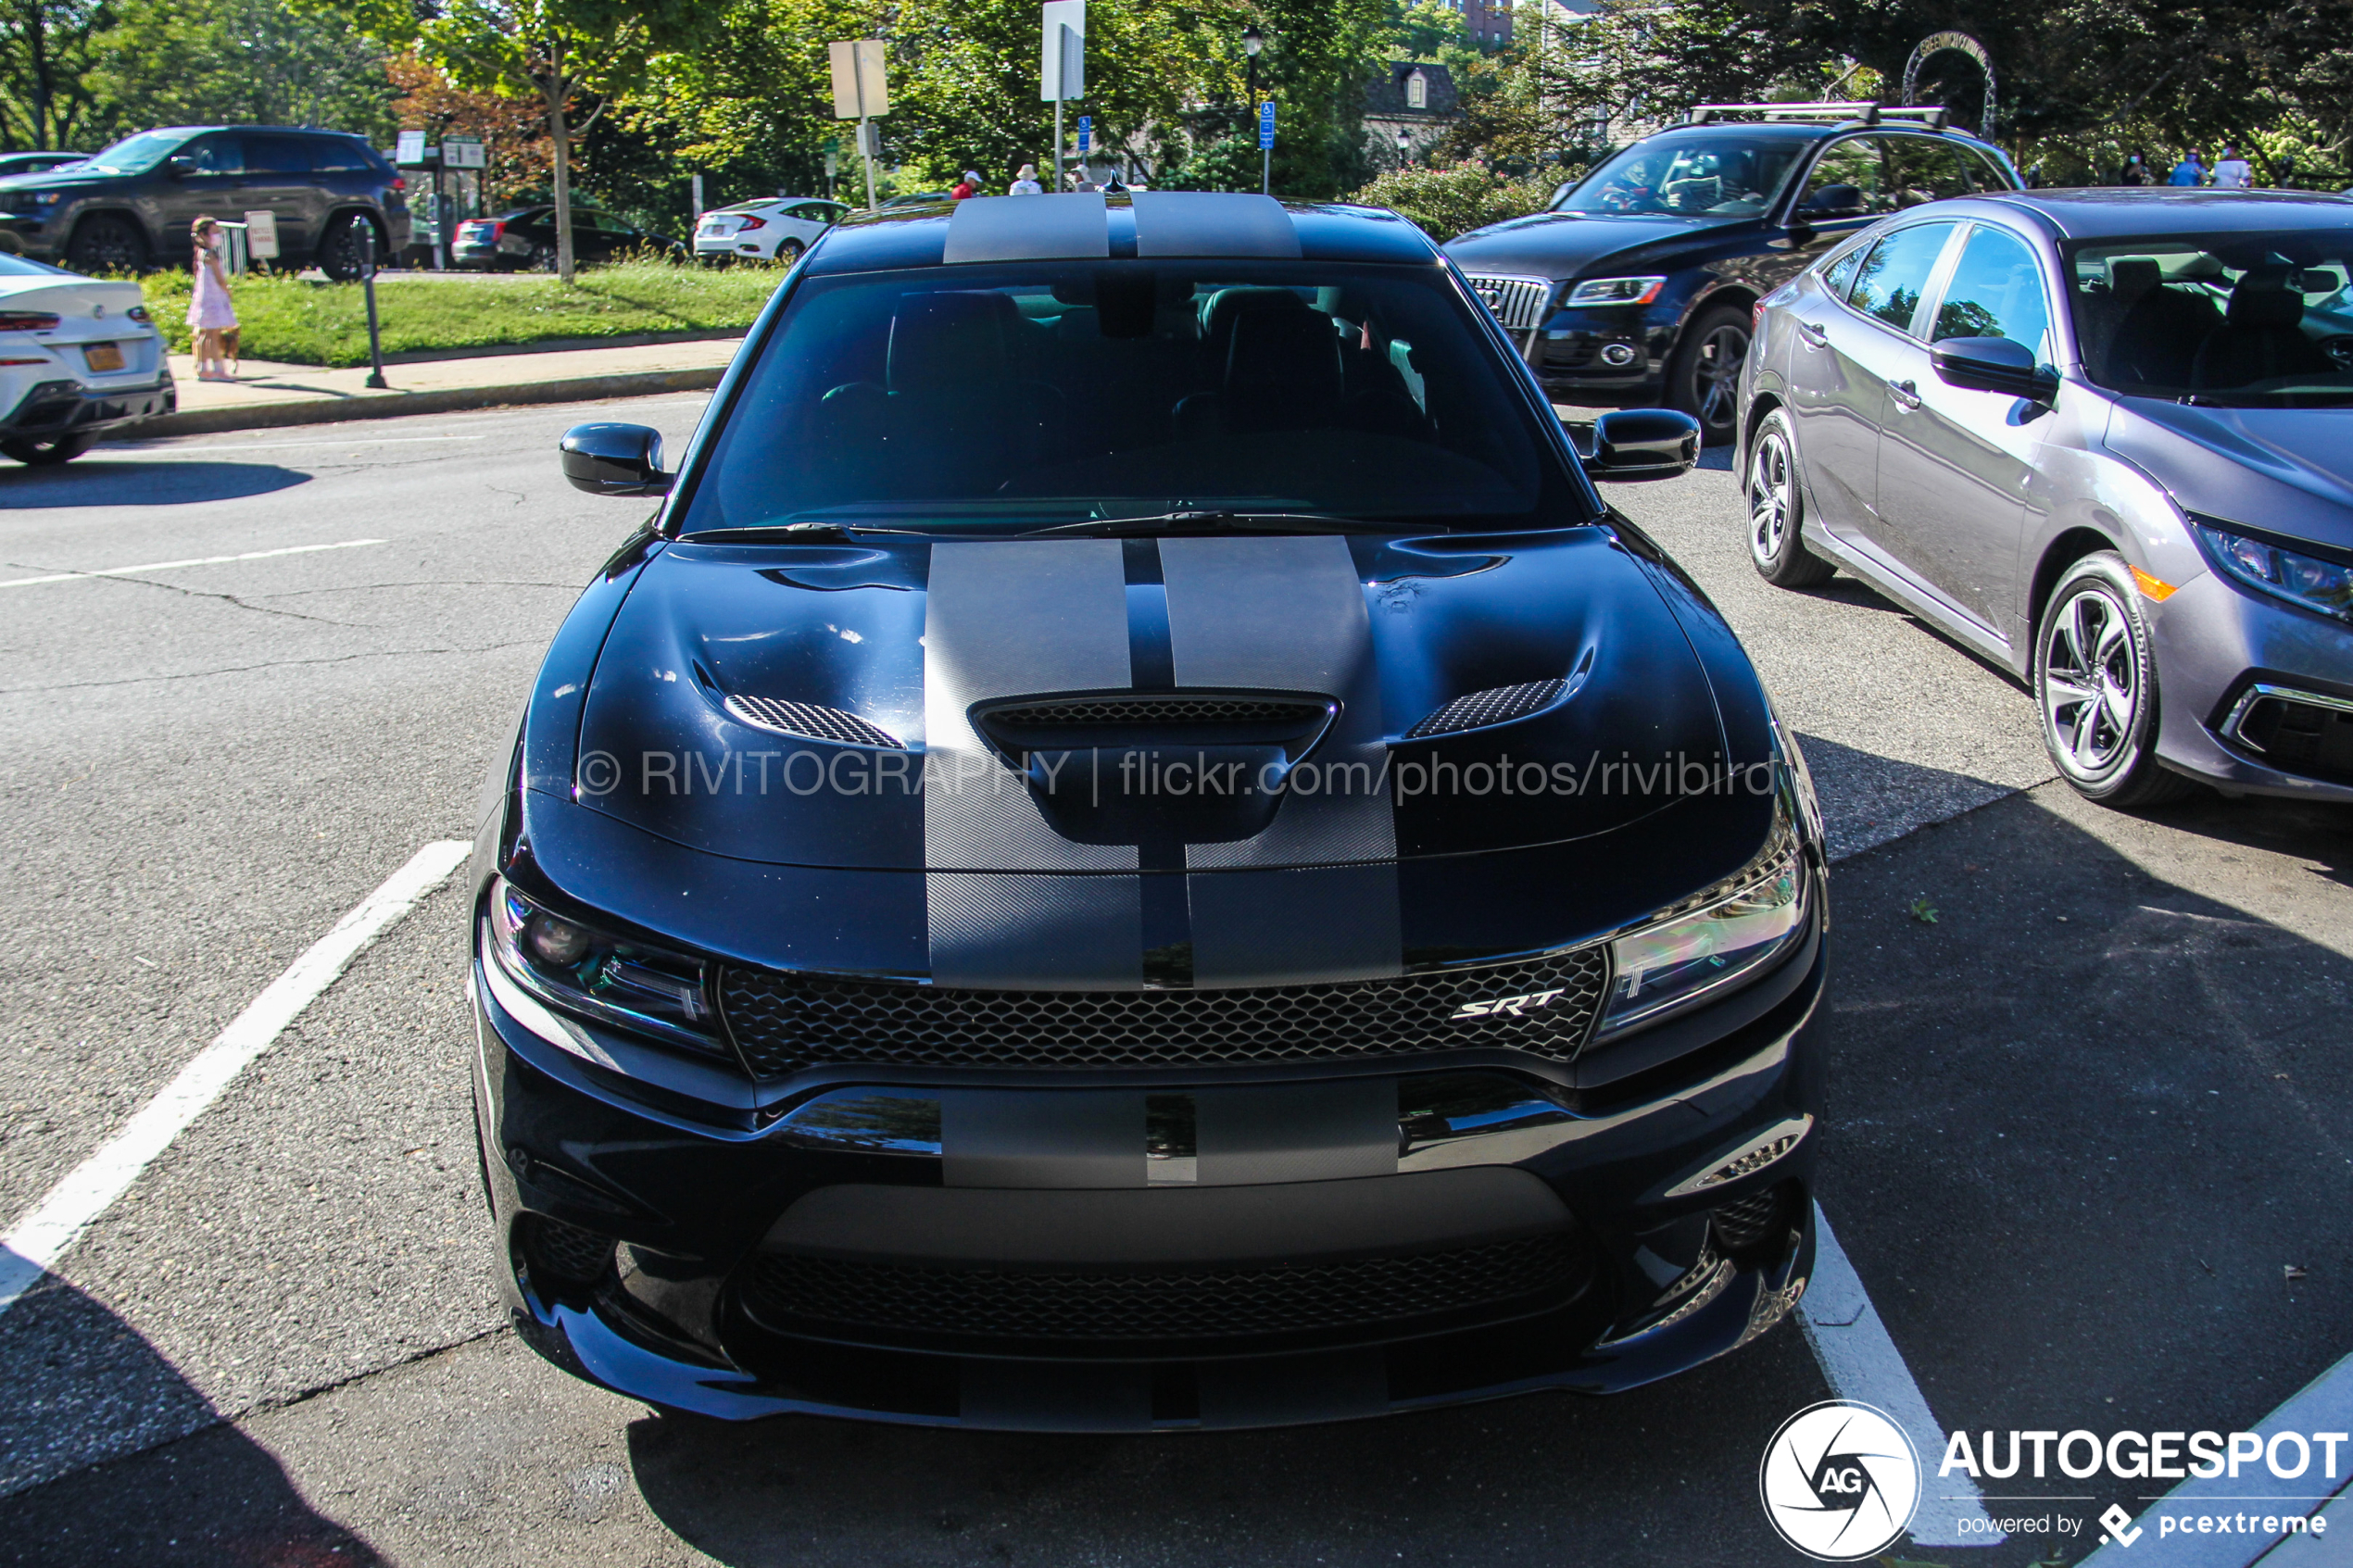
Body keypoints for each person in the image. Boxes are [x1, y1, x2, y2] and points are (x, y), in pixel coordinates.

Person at [186, 215, 238, 383]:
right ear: (204, 235)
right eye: (214, 232)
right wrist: (227, 290)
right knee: (214, 334)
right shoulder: (211, 256)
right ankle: (217, 368)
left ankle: (202, 368)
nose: (218, 236)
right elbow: (219, 278)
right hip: (214, 298)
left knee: (204, 334)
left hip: (204, 298)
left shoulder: (201, 254)